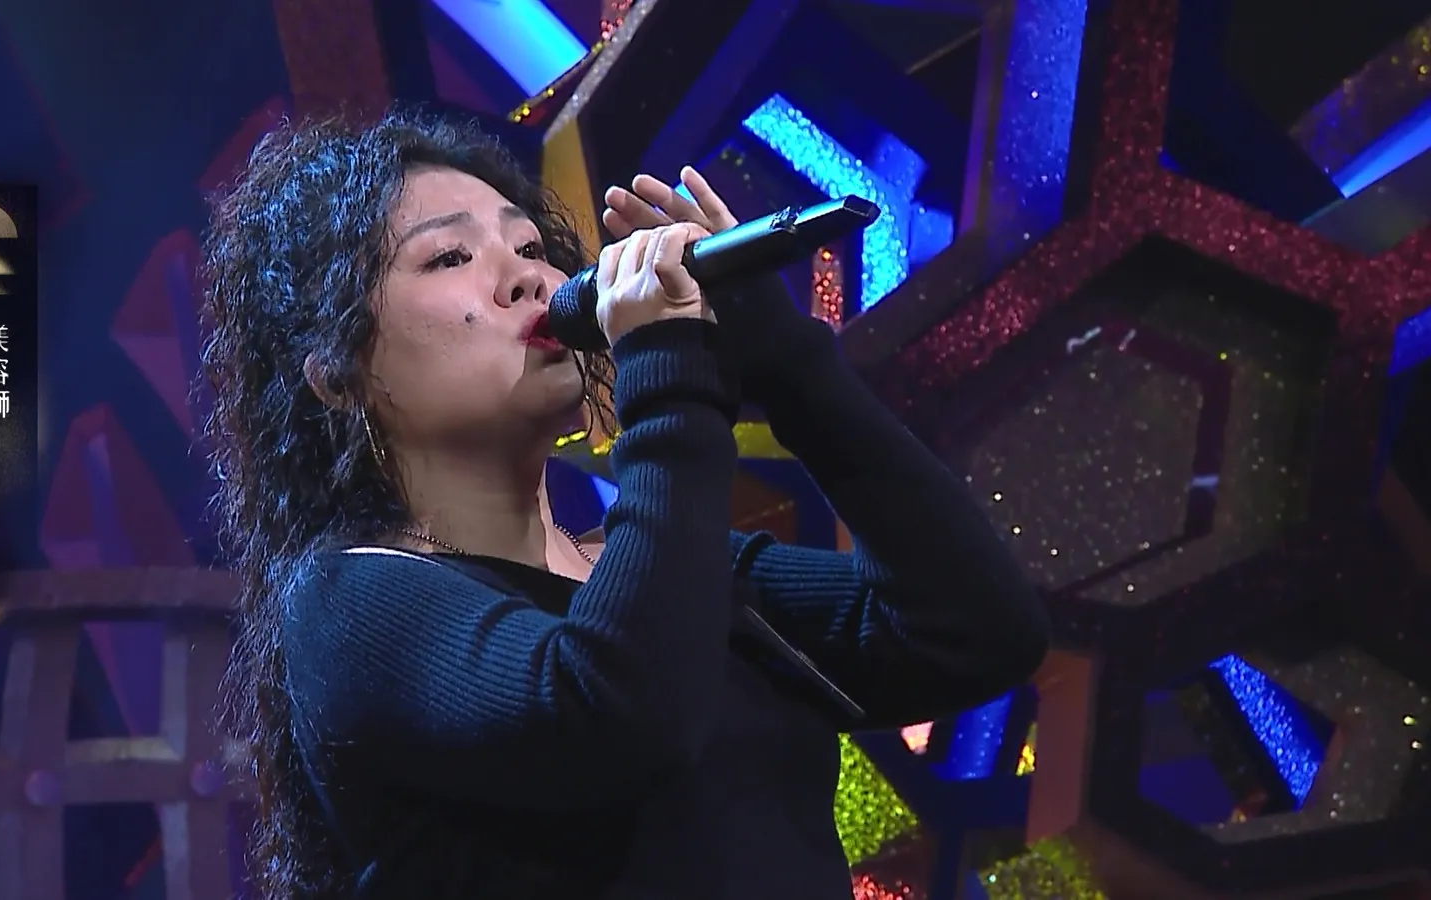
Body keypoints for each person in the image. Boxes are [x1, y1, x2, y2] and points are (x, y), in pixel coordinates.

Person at [200, 107, 1050, 900]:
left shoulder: (671, 571)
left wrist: (786, 361)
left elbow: (976, 632)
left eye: (531, 246)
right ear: (338, 375)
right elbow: (617, 714)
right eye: (449, 258)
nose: (527, 278)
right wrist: (670, 375)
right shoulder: (352, 602)